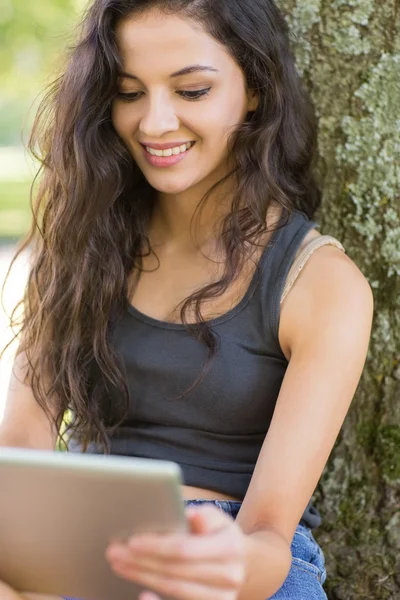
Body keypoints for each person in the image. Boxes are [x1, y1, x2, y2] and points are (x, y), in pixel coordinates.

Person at [0, 0, 374, 599]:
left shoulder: (321, 283)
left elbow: (268, 539)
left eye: (192, 91)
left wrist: (212, 563)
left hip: (235, 563)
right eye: (128, 93)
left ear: (254, 89)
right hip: (84, 541)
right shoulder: (76, 246)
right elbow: (19, 453)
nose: (154, 123)